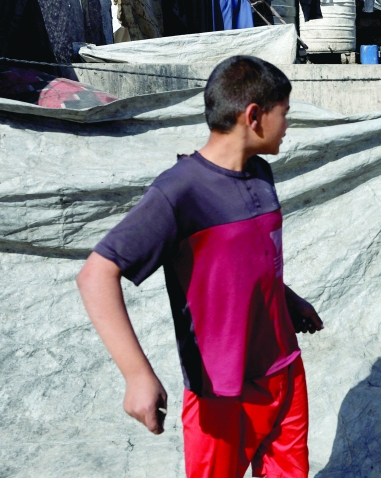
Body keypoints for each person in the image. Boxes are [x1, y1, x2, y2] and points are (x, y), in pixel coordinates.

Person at [76, 56, 324, 478]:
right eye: (285, 114)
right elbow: (96, 274)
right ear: (254, 116)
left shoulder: (261, 173)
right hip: (221, 391)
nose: (288, 126)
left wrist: (289, 299)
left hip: (283, 372)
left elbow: (244, 261)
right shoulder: (180, 191)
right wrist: (137, 375)